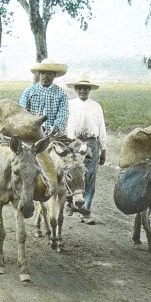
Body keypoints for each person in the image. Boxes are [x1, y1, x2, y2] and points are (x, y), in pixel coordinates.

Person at [65, 74, 107, 225]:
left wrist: (103, 149)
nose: (83, 90)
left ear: (89, 89)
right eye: (80, 88)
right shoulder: (69, 105)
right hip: (73, 142)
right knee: (72, 174)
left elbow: (101, 128)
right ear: (76, 89)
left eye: (85, 88)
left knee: (90, 176)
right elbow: (65, 124)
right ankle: (69, 201)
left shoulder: (96, 106)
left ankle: (85, 211)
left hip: (91, 143)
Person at [19, 58, 69, 134]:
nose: (45, 76)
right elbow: (22, 111)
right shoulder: (29, 91)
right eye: (43, 73)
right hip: (31, 132)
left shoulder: (61, 93)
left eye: (49, 73)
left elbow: (63, 114)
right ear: (39, 74)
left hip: (53, 134)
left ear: (54, 74)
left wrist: (57, 127)